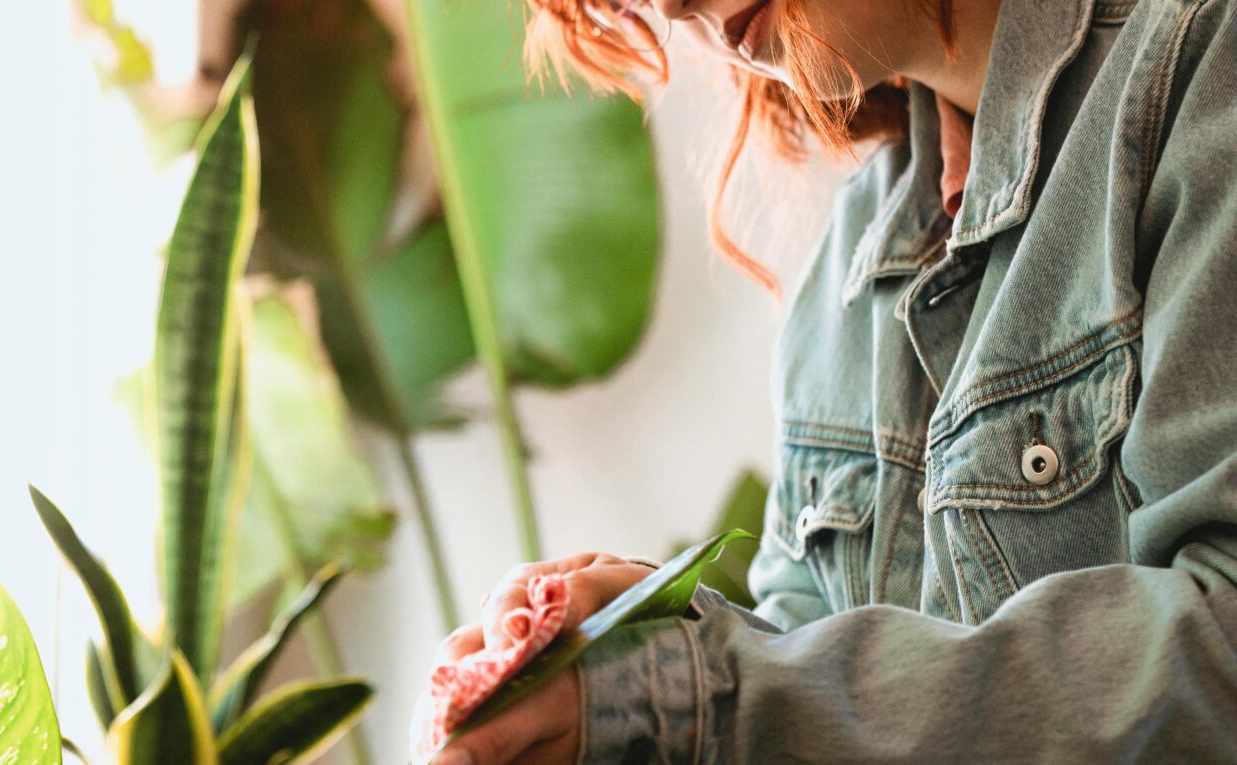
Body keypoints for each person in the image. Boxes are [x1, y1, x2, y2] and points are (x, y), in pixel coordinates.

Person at [412, 0, 1237, 761]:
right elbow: (815, 650)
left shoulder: (1206, 63)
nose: (668, 7)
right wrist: (658, 633)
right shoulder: (846, 271)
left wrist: (719, 699)